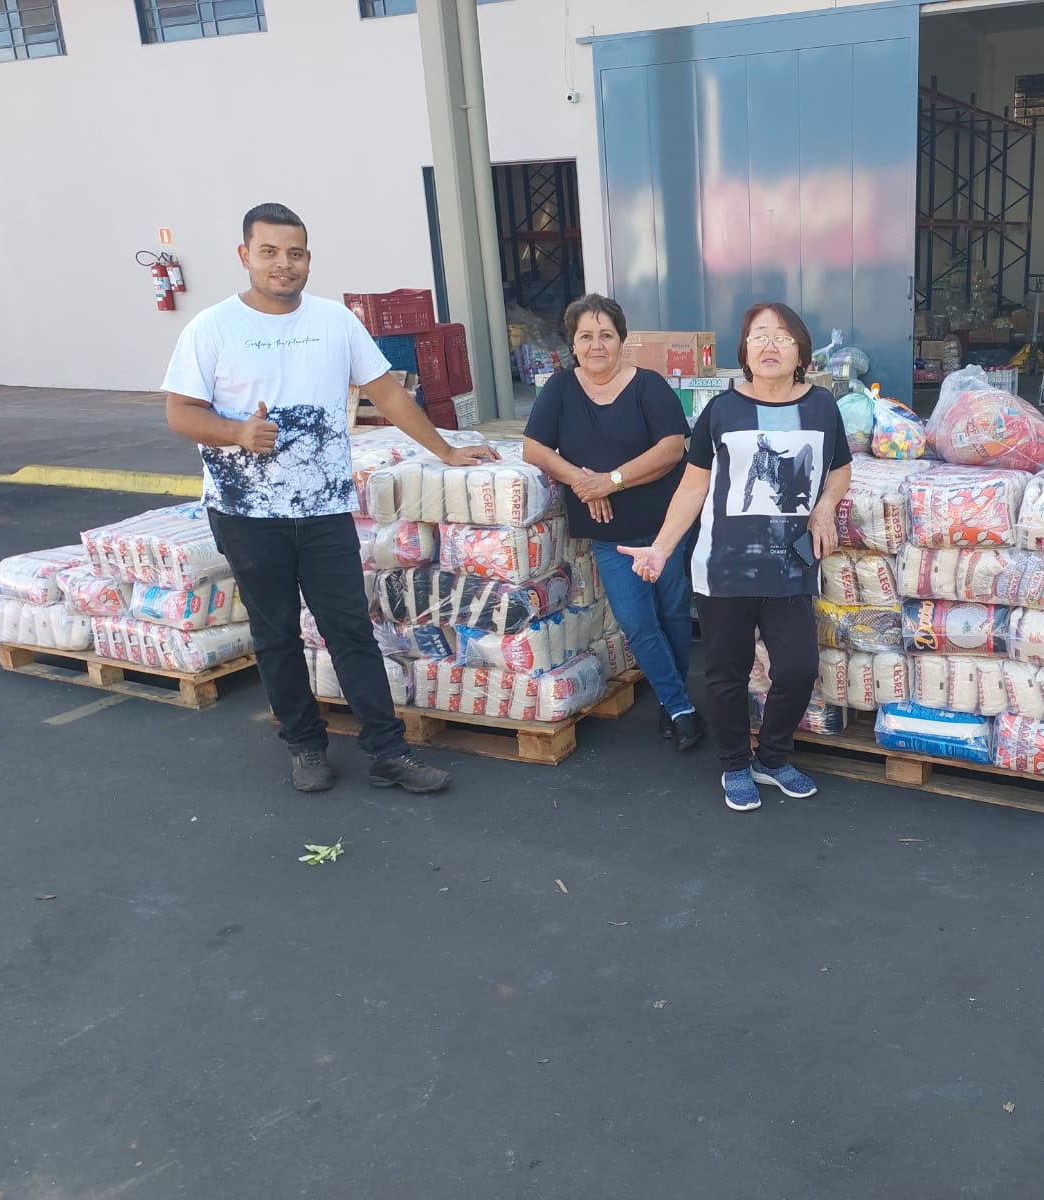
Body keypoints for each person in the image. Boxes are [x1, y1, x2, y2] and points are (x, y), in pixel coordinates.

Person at [162, 202, 494, 796]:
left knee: (350, 630)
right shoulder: (211, 328)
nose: (283, 264)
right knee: (276, 635)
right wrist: (238, 433)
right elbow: (180, 412)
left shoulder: (335, 321)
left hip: (323, 510)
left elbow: (388, 394)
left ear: (308, 259)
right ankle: (305, 746)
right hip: (246, 514)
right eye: (269, 252)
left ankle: (388, 752)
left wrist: (444, 450)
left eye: (295, 253)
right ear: (245, 256)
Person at [620, 302, 852, 812]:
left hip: (791, 565)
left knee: (797, 668)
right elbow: (693, 487)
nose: (770, 345)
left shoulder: (821, 406)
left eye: (783, 337)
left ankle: (772, 758)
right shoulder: (721, 411)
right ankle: (734, 764)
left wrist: (825, 507)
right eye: (759, 336)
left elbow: (839, 467)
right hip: (724, 565)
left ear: (802, 353)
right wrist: (661, 547)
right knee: (728, 672)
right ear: (744, 351)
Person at [522, 295, 703, 750]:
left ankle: (672, 701)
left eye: (606, 335)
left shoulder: (648, 386)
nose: (596, 345)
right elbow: (534, 449)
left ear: (622, 340)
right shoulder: (560, 389)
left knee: (672, 611)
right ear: (573, 344)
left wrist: (612, 481)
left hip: (664, 526)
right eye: (586, 336)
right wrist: (584, 482)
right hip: (610, 535)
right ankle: (680, 706)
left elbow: (672, 448)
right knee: (637, 620)